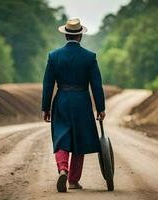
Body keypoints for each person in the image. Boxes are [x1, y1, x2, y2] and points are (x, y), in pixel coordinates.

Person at [41, 18, 106, 193]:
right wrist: (101, 108)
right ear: (80, 36)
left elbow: (48, 84)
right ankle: (73, 181)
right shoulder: (89, 57)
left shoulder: (54, 56)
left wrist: (45, 108)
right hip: (82, 102)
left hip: (61, 100)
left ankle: (63, 169)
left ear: (65, 35)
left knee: (62, 137)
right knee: (80, 139)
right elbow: (96, 85)